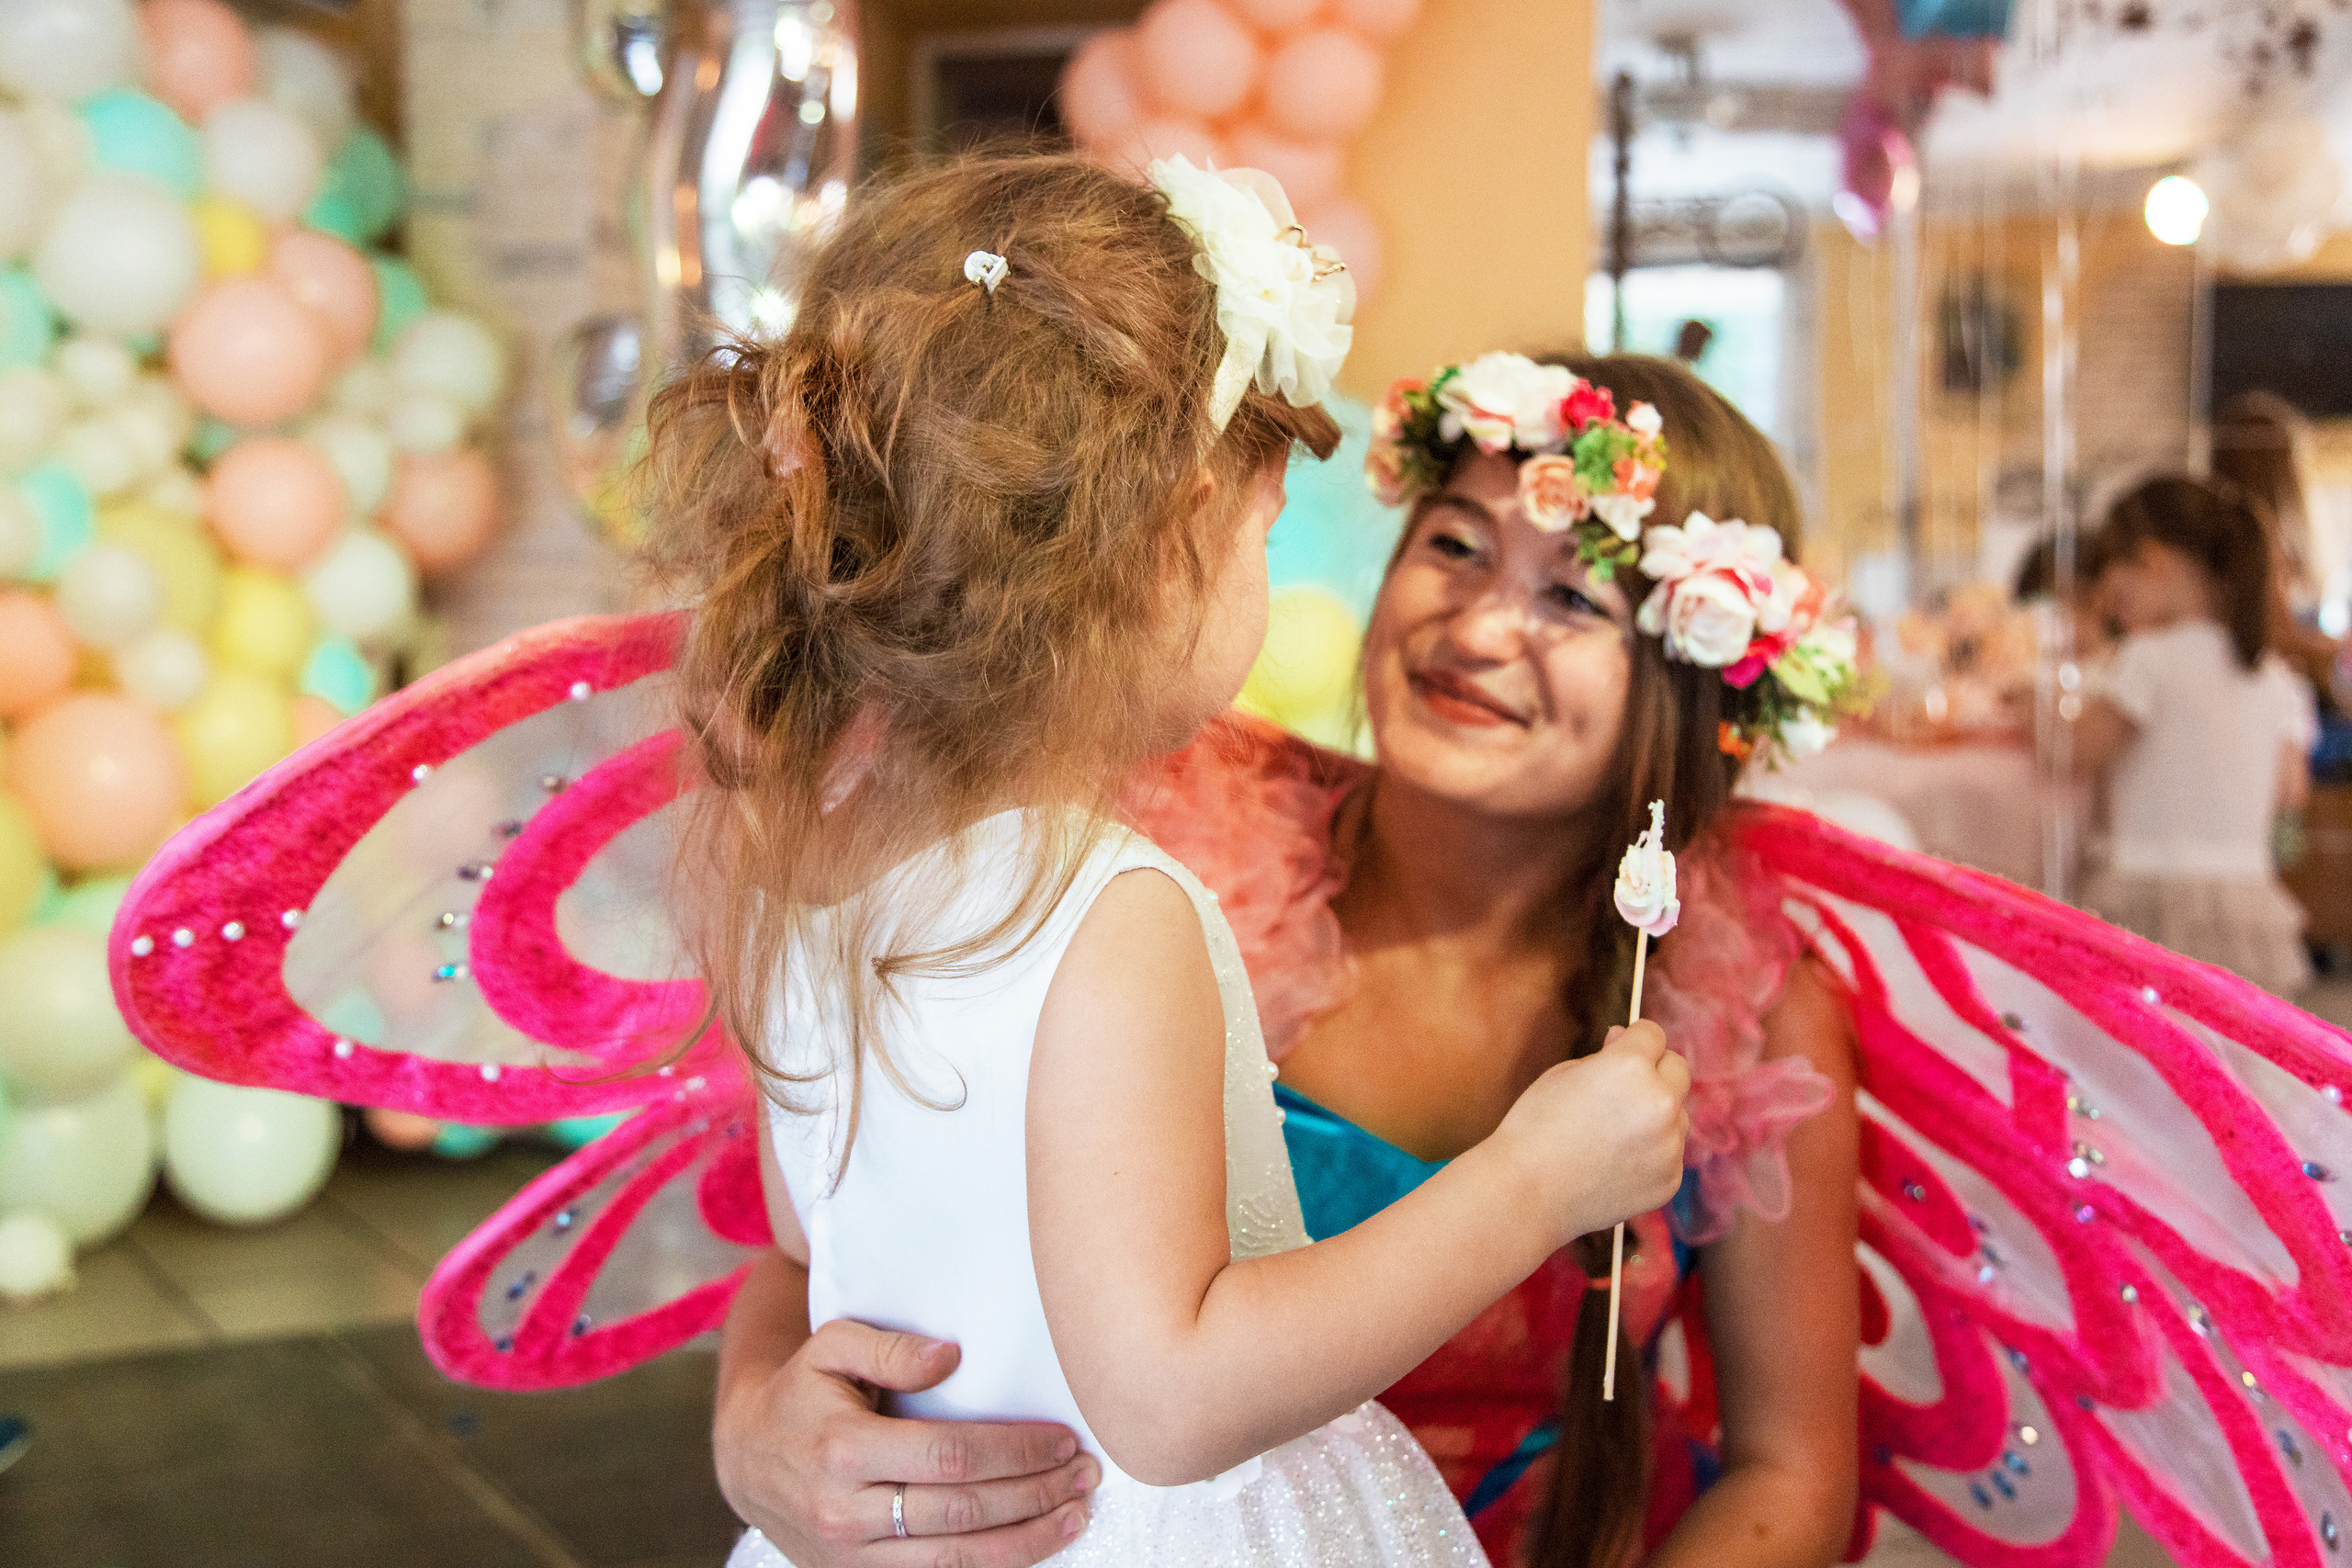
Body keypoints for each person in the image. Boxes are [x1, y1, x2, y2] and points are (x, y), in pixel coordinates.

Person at [642, 159, 1699, 1568]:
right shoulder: (1107, 908)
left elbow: (805, 1228)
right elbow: (1170, 1397)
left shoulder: (805, 881)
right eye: (1259, 533)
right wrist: (1537, 1178)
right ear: (1166, 546)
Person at [2072, 475, 2316, 996]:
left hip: (2149, 896)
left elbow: (2079, 751)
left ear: (2151, 560)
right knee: (2231, 1060)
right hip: (2247, 906)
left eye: (2115, 590)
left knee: (2146, 1060)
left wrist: (2041, 711)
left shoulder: (2147, 660)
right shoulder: (2277, 678)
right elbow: (2290, 791)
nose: (2112, 608)